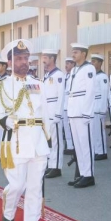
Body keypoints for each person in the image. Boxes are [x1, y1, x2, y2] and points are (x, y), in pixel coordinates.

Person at [0, 39, 50, 221]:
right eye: (19, 59)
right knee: (17, 185)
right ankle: (8, 214)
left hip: (37, 142)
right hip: (15, 142)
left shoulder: (38, 85)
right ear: (9, 62)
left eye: (26, 58)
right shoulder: (1, 86)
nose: (24, 62)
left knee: (35, 188)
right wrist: (8, 122)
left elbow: (46, 115)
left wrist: (48, 140)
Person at [66, 43, 96, 188]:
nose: (73, 55)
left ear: (84, 53)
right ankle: (82, 173)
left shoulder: (89, 68)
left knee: (86, 145)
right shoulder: (74, 70)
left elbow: (90, 92)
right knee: (78, 145)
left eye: (76, 52)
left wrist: (86, 113)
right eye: (73, 52)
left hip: (82, 112)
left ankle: (89, 175)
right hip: (73, 111)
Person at [41, 49, 65, 178]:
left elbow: (61, 95)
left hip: (54, 110)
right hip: (46, 112)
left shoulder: (58, 75)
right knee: (49, 140)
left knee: (56, 141)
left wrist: (58, 113)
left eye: (45, 57)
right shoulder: (47, 75)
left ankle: (56, 166)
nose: (43, 60)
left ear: (52, 58)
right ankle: (51, 164)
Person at [91, 54, 109, 161]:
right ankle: (97, 150)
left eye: (94, 61)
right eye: (92, 61)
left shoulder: (102, 76)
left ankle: (102, 151)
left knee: (100, 131)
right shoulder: (93, 76)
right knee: (95, 131)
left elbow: (104, 92)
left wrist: (103, 109)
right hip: (93, 107)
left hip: (99, 106)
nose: (92, 63)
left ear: (100, 63)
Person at [62, 58, 76, 153]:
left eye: (68, 63)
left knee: (72, 127)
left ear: (73, 64)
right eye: (66, 63)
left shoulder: (74, 76)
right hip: (64, 105)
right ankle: (69, 145)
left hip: (71, 105)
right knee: (66, 127)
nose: (66, 65)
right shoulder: (65, 76)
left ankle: (73, 145)